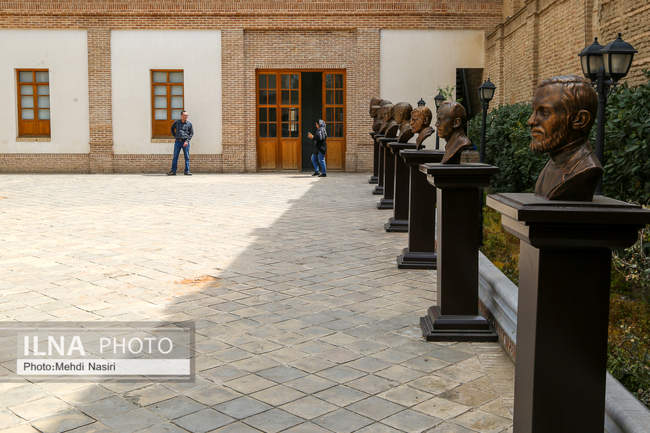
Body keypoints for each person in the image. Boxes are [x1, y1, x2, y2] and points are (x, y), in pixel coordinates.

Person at [529, 75, 601, 201]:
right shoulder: (554, 162)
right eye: (534, 112)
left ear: (580, 119)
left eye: (544, 113)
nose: (531, 121)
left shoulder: (584, 170)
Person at [168, 110, 193, 176]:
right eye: (185, 115)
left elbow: (191, 133)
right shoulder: (177, 122)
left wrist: (187, 141)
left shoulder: (189, 124)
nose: (186, 116)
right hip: (178, 142)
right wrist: (175, 136)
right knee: (175, 157)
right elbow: (172, 128)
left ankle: (187, 171)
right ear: (181, 116)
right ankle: (173, 171)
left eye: (187, 115)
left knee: (187, 157)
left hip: (185, 142)